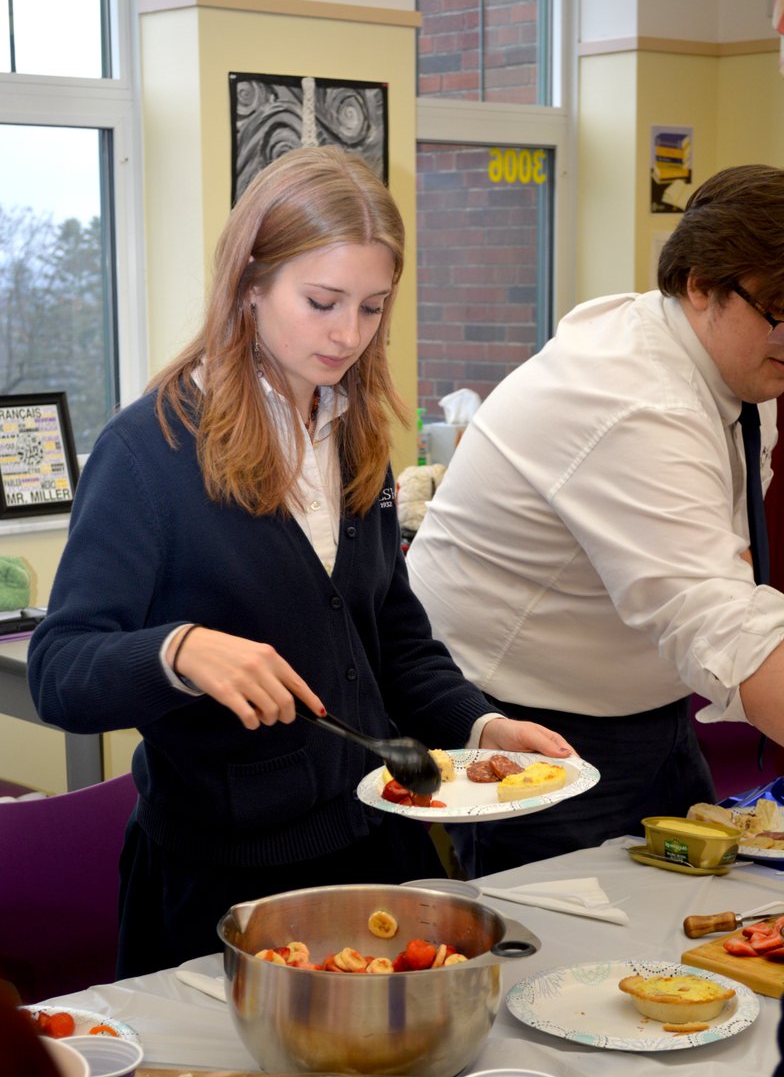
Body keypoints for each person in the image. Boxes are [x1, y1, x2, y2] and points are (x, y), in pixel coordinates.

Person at [28, 145, 571, 977]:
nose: (347, 334)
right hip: (221, 886)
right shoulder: (148, 450)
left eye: (371, 308)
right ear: (250, 283)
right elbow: (60, 670)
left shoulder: (352, 434)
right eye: (321, 302)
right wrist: (177, 650)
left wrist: (480, 726)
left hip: (376, 850)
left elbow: (390, 639)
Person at [407, 163, 784, 878]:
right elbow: (719, 617)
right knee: (554, 968)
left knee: (685, 927)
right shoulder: (637, 401)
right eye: (778, 310)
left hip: (649, 710)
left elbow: (720, 555)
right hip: (524, 723)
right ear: (700, 284)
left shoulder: (733, 362)